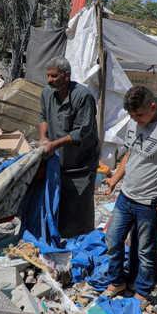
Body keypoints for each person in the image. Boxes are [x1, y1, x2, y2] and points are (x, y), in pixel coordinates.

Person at [100, 86, 157, 300]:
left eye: (140, 115)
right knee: (112, 240)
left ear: (153, 107)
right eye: (132, 116)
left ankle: (142, 290)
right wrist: (115, 179)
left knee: (145, 249)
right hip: (126, 197)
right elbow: (130, 154)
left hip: (150, 202)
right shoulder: (134, 124)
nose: (136, 120)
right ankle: (117, 282)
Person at [38, 57, 100, 239]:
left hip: (81, 164)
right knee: (58, 202)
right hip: (58, 161)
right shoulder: (46, 93)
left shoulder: (83, 95)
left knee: (80, 206)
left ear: (66, 75)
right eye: (48, 76)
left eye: (54, 76)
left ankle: (82, 243)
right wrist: (43, 138)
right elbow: (42, 117)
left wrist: (54, 144)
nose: (49, 80)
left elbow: (82, 131)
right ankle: (60, 240)